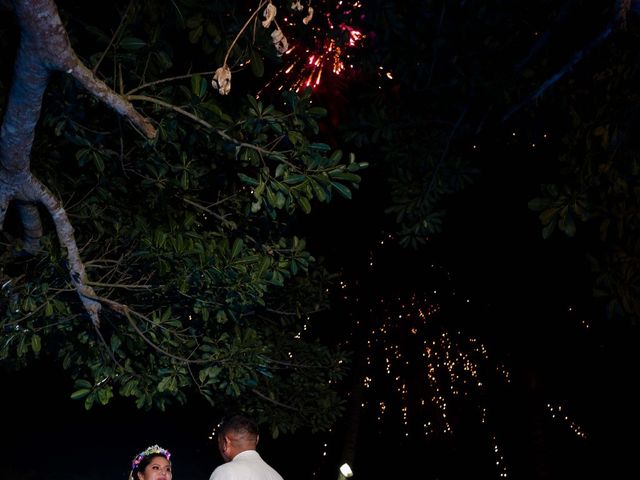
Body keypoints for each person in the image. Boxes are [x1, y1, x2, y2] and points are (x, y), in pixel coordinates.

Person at [209, 414, 284, 480]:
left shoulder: (226, 472)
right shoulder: (277, 476)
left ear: (226, 442)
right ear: (257, 439)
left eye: (219, 442)